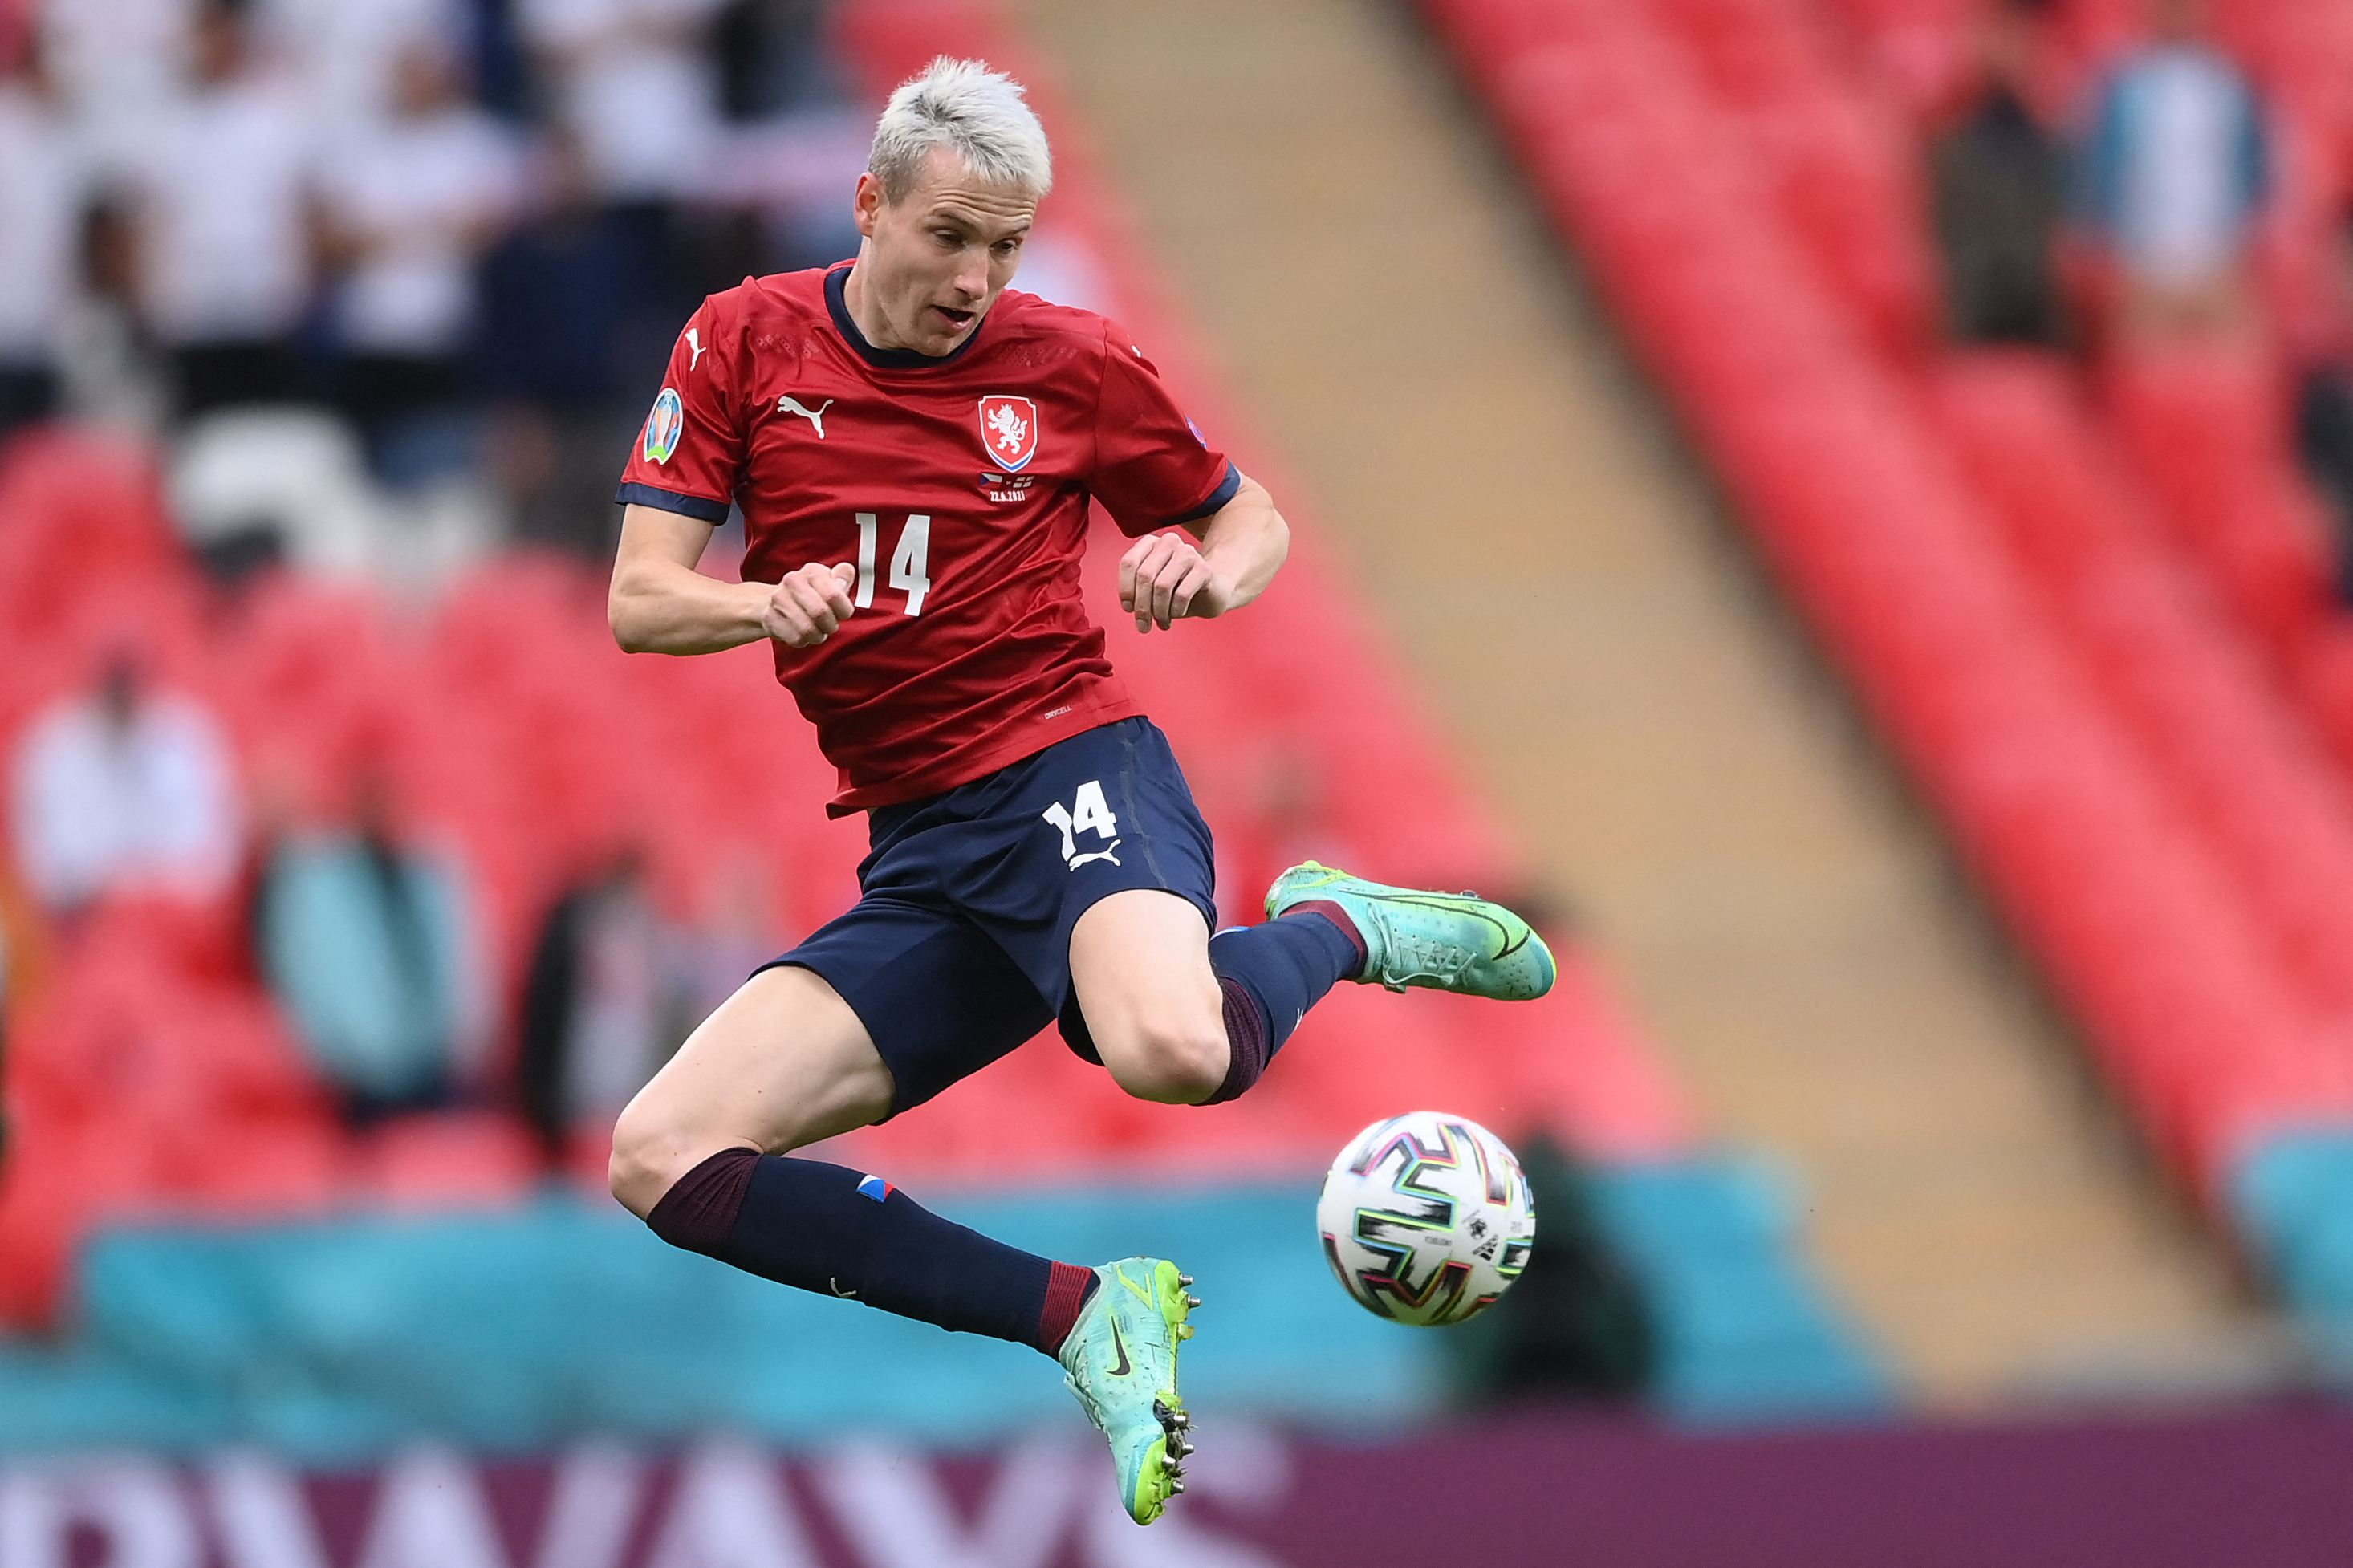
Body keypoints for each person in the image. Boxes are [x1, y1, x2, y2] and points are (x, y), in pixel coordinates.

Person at [600, 58, 1556, 1527]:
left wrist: (1206, 570)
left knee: (1171, 1047)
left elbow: (1248, 517)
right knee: (659, 1154)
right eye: (949, 237)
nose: (976, 276)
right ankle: (1081, 1314)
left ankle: (1344, 929)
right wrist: (762, 602)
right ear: (868, 203)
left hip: (1068, 763)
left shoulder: (1069, 363)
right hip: (921, 849)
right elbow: (641, 599)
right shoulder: (741, 338)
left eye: (1005, 245)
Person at [2077, 0, 2269, 343]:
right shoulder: (2124, 86)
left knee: (2234, 377)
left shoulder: (2230, 85)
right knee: (2142, 378)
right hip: (2144, 260)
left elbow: (2254, 171)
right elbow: (2102, 174)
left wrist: (2237, 241)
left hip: (2217, 258)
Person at [10, 653, 242, 921]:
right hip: (83, 924)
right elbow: (44, 868)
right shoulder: (52, 749)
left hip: (173, 919)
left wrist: (149, 889)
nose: (121, 700)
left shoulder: (188, 738)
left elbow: (216, 857)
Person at [1927, 0, 2067, 347]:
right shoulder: (1949, 140)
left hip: (2036, 304)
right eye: (1998, 41)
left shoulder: (2049, 140)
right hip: (1974, 305)